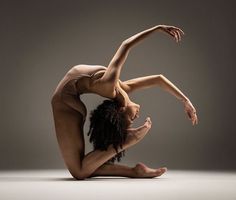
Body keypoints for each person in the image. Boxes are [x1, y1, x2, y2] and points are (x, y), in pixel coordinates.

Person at [51, 24, 198, 180]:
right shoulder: (118, 87)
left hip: (66, 97)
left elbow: (129, 48)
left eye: (129, 120)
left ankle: (134, 169)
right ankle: (133, 166)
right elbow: (156, 77)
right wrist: (157, 28)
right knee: (80, 170)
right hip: (65, 100)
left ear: (121, 110)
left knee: (81, 169)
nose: (134, 119)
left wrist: (185, 100)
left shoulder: (110, 86)